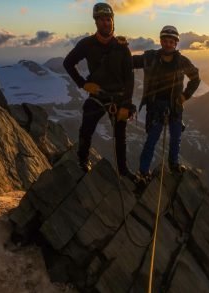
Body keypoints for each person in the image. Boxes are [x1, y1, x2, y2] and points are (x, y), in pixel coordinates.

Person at [63, 3, 136, 179]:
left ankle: (123, 171)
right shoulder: (87, 44)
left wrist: (126, 104)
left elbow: (129, 78)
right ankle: (83, 161)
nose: (106, 23)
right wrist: (82, 84)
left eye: (109, 19)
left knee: (120, 137)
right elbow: (68, 63)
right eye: (102, 20)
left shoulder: (122, 47)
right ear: (96, 22)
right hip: (98, 95)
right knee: (86, 129)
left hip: (118, 97)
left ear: (113, 21)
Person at [133, 25, 200, 181]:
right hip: (156, 106)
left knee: (175, 138)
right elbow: (131, 61)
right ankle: (143, 172)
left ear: (175, 43)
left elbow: (196, 78)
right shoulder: (150, 57)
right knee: (152, 140)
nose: (168, 44)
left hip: (174, 106)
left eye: (171, 41)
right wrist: (120, 49)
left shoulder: (182, 61)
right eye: (165, 41)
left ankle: (173, 165)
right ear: (161, 41)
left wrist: (185, 96)